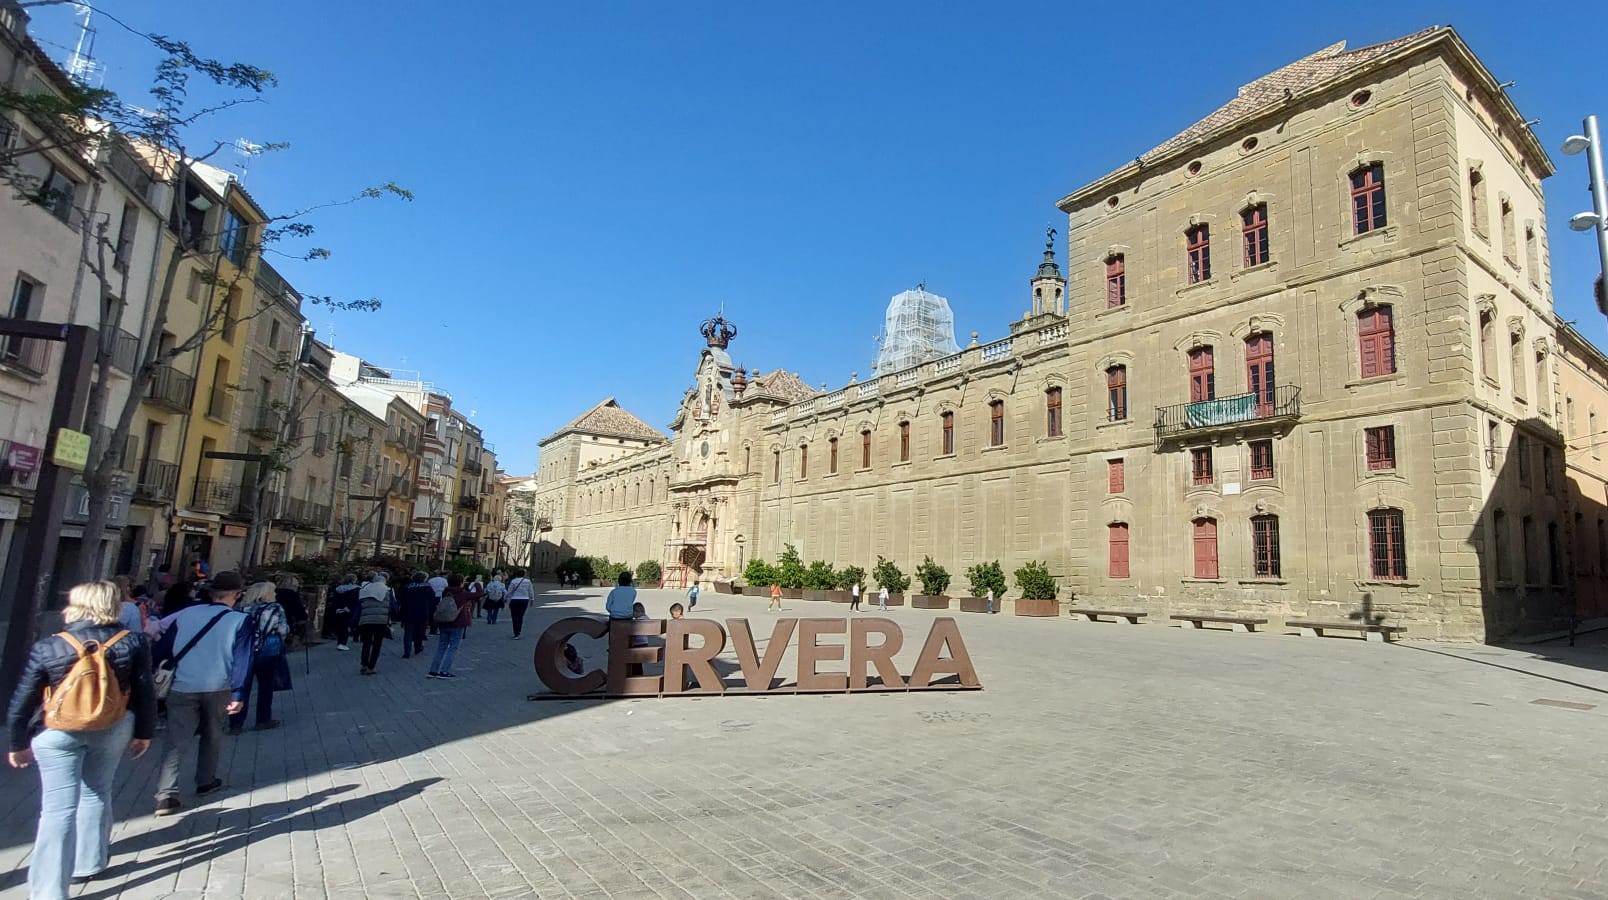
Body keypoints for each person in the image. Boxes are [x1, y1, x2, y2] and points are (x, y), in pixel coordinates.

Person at [6, 581, 155, 899]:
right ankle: (89, 861)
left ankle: (50, 889)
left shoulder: (50, 645)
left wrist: (18, 743)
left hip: (57, 732)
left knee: (57, 809)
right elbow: (145, 690)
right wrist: (144, 732)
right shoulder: (132, 642)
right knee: (98, 791)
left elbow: (23, 699)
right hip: (112, 726)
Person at [152, 570, 251, 817]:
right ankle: (206, 781)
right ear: (237, 595)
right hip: (219, 685)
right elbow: (243, 659)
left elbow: (162, 649)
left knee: (176, 739)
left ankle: (166, 794)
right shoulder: (239, 620)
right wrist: (239, 693)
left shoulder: (186, 614)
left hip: (182, 685)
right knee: (213, 734)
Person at [228, 582, 291, 735]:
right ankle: (263, 719)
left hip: (245, 651)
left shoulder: (242, 609)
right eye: (273, 591)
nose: (275, 594)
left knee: (242, 687)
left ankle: (236, 723)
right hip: (268, 650)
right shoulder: (275, 608)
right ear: (265, 594)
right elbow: (283, 629)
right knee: (265, 686)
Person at [428, 574, 474, 679]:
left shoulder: (446, 592)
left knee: (441, 646)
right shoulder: (463, 593)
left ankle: (433, 670)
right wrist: (476, 583)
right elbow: (479, 594)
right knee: (452, 647)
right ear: (461, 583)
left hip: (443, 621)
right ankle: (444, 671)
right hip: (457, 622)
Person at [355, 573, 393, 675]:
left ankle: (364, 664)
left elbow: (358, 607)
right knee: (377, 643)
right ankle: (371, 666)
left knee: (366, 643)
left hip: (366, 620)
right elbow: (393, 606)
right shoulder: (387, 590)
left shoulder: (364, 590)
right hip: (381, 620)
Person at [398, 572, 435, 658]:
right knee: (419, 631)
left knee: (408, 632)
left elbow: (401, 599)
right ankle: (418, 648)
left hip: (408, 612)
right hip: (422, 612)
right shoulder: (427, 587)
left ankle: (407, 652)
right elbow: (432, 599)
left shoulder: (407, 587)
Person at [273, 573, 308, 647]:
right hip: (287, 621)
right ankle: (294, 642)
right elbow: (299, 611)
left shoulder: (274, 593)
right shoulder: (293, 595)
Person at [329, 574, 360, 650]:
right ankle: (343, 643)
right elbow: (355, 601)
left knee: (340, 626)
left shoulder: (338, 589)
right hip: (349, 610)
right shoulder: (356, 589)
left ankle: (339, 642)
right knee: (346, 627)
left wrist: (337, 608)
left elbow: (335, 600)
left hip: (338, 610)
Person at [505, 568, 533, 639]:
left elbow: (509, 591)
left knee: (514, 616)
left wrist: (505, 598)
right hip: (524, 600)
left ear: (517, 574)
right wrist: (532, 599)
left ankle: (515, 632)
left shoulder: (513, 581)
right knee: (520, 616)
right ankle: (518, 632)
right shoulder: (528, 581)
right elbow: (530, 591)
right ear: (524, 574)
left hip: (514, 599)